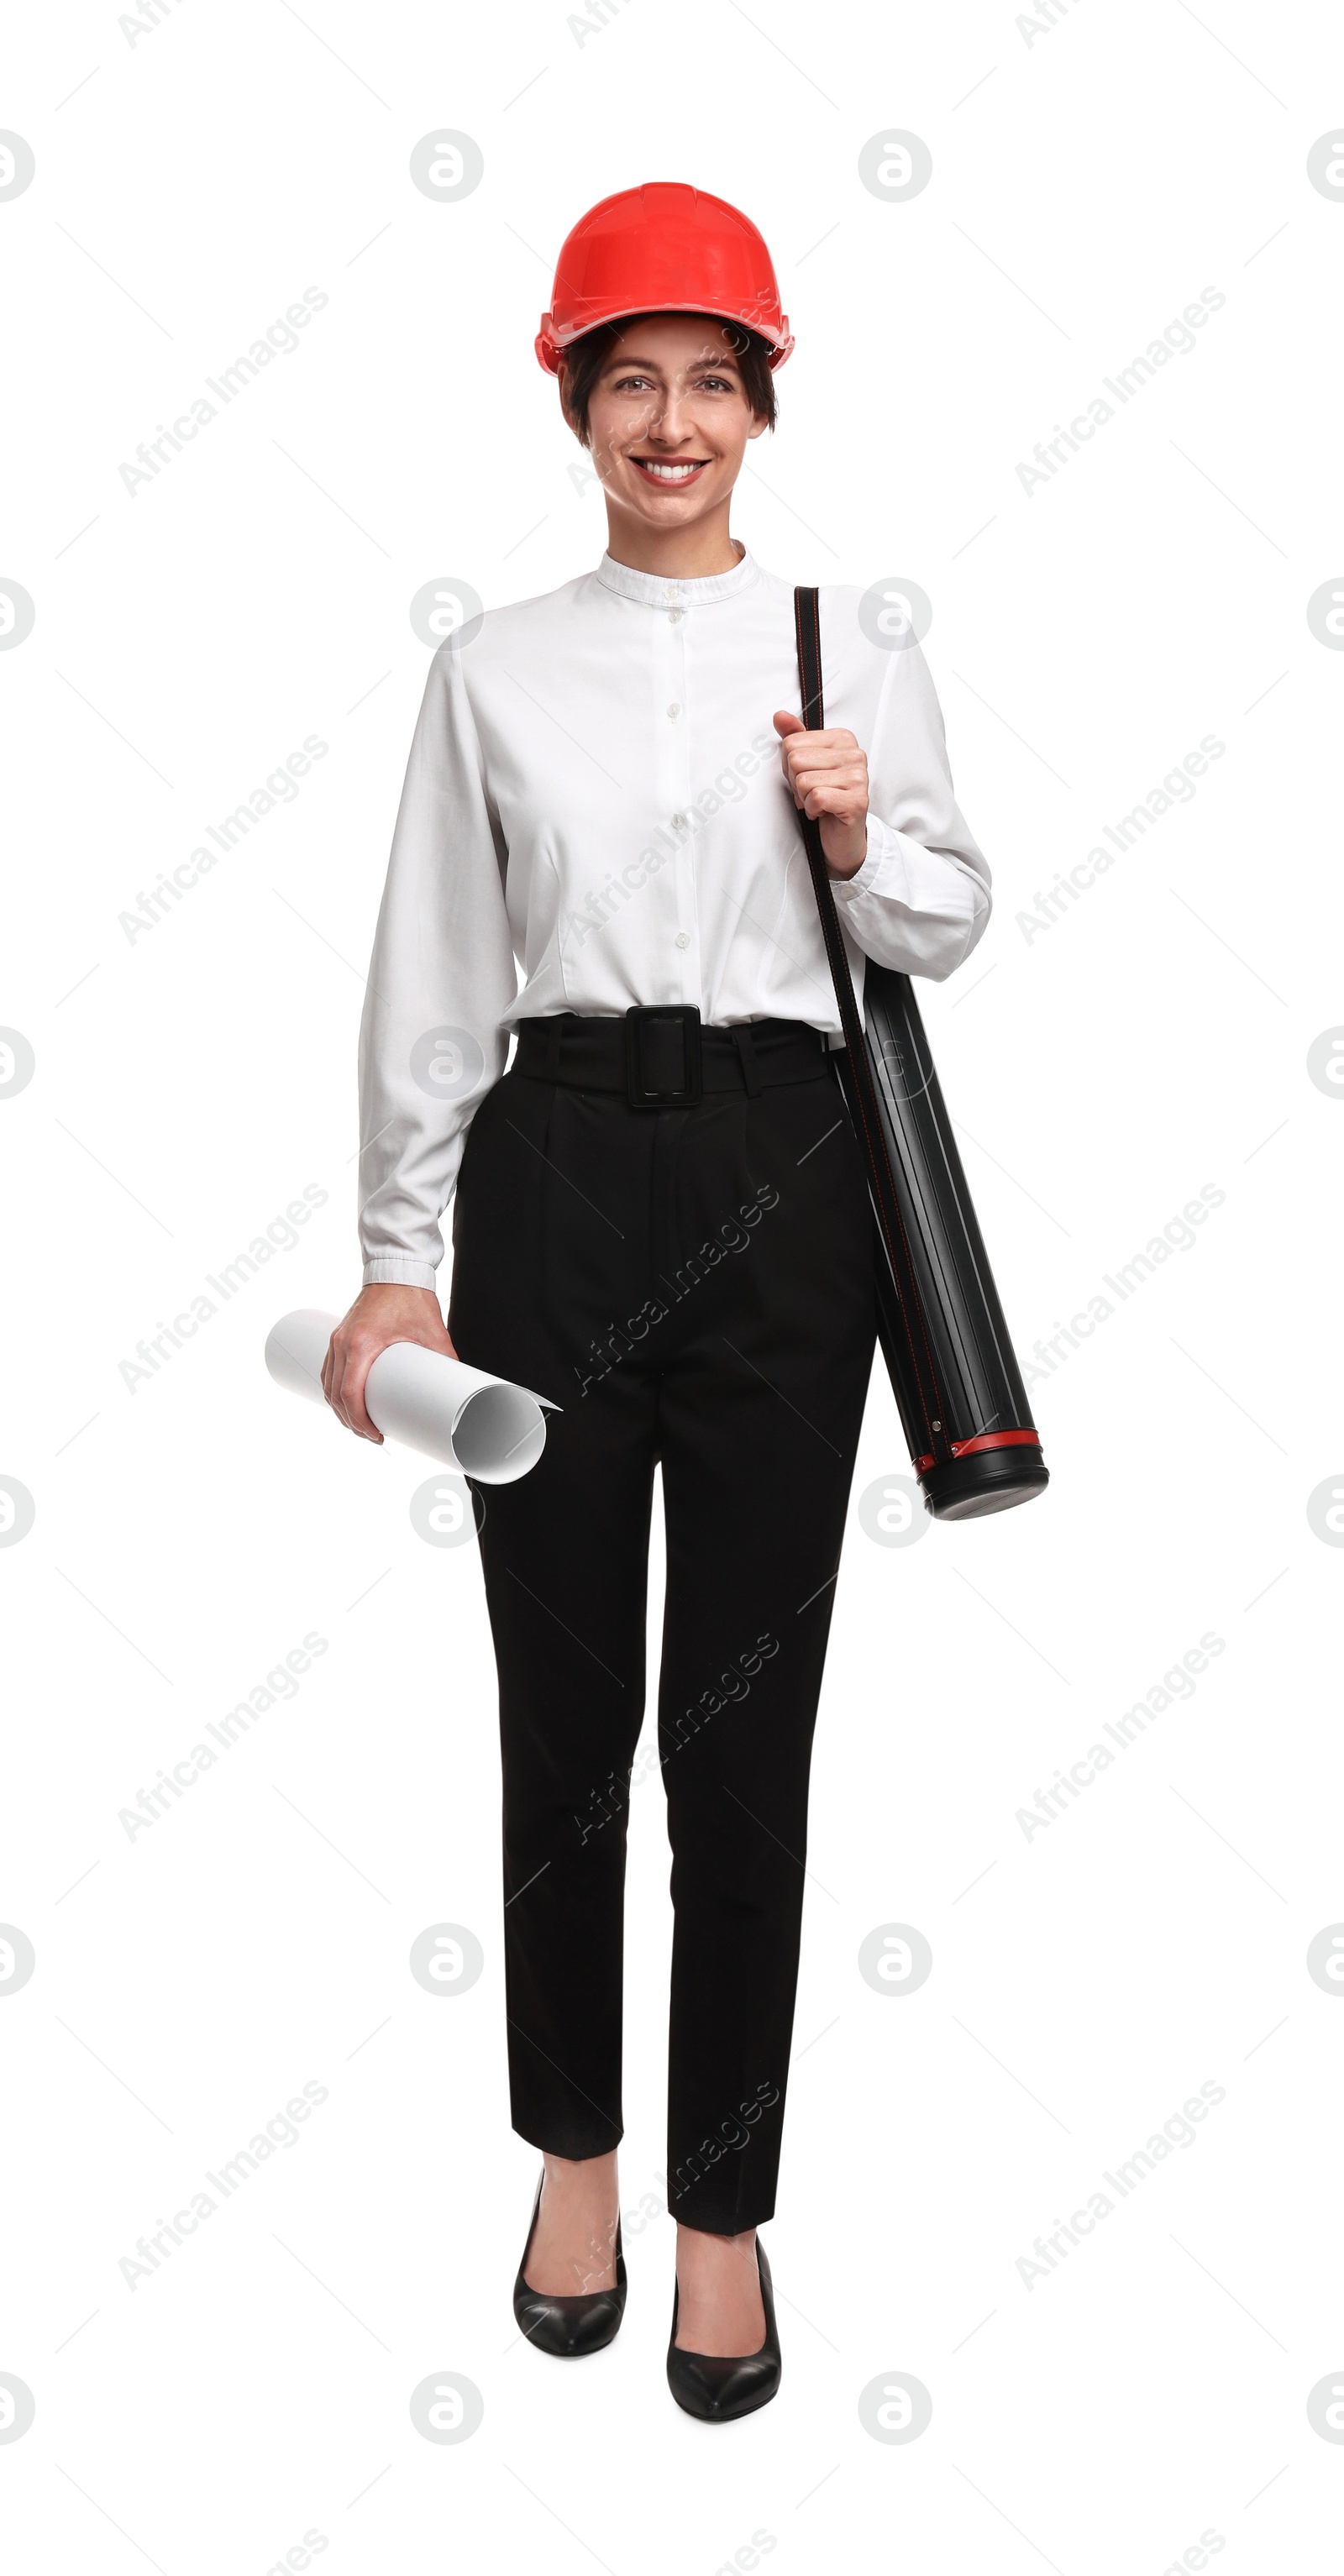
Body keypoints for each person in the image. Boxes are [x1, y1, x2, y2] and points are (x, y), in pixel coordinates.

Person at [322, 181, 990, 2421]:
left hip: (790, 1188)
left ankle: (727, 2213)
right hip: (556, 1184)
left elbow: (943, 927)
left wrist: (861, 826)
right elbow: (434, 976)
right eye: (635, 381)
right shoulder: (491, 664)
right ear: (577, 401)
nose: (675, 420)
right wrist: (398, 1257)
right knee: (562, 1717)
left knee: (745, 1731)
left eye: (714, 382)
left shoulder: (848, 636)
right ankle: (574, 2160)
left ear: (762, 402)